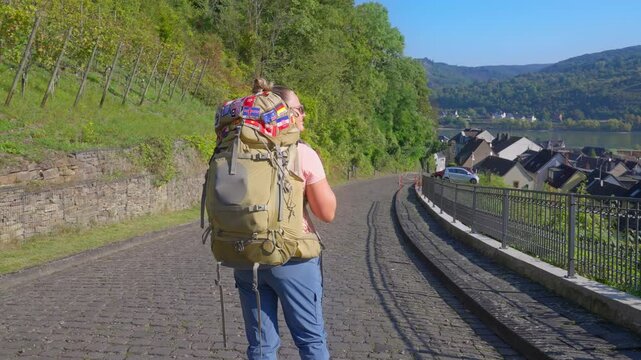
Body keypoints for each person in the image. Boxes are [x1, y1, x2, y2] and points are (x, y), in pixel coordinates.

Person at [233, 78, 337, 360]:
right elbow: (327, 213)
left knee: (261, 346)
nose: (303, 115)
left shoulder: (238, 150)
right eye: (300, 109)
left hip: (245, 256)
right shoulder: (302, 152)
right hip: (292, 257)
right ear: (287, 114)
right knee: (311, 341)